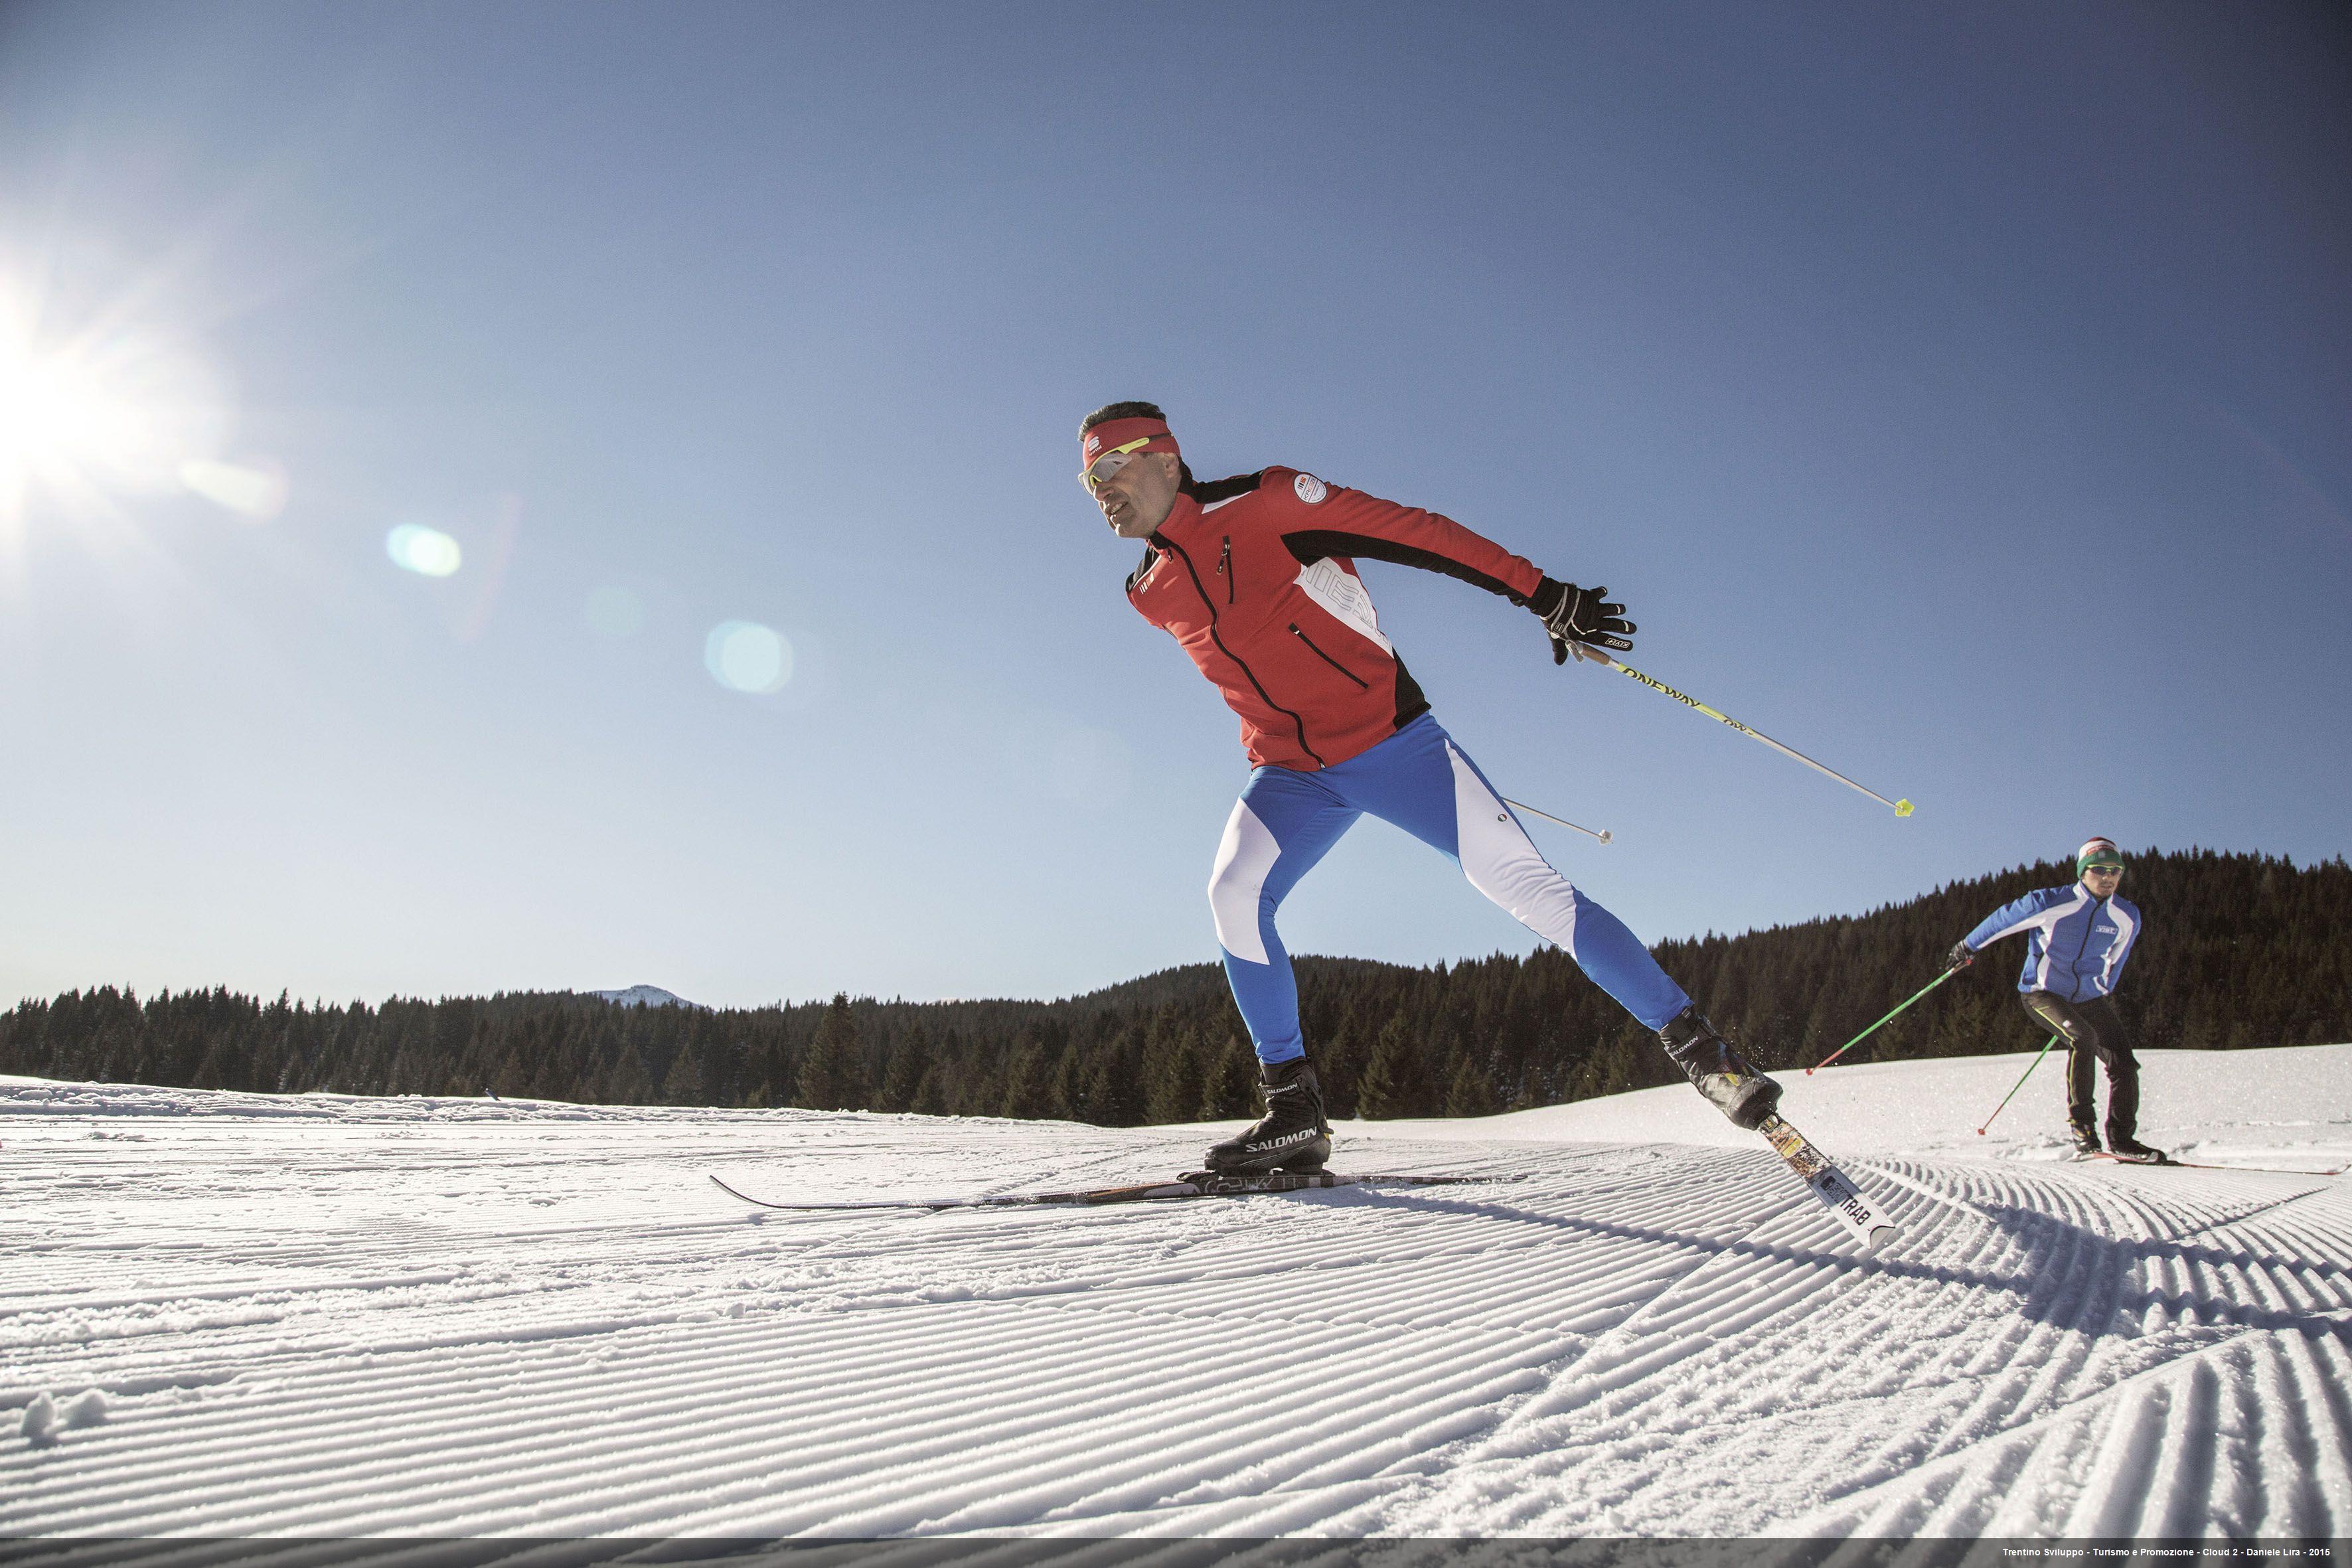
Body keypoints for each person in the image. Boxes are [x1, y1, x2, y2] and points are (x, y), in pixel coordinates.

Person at [1079, 400, 1779, 1173]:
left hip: (1392, 744)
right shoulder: (1149, 592)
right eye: (1088, 479)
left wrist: (1543, 593)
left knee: (1527, 887)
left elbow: (1417, 532)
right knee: (1233, 894)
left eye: (1112, 464)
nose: (1100, 486)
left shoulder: (1269, 504)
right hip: (1288, 774)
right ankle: (1295, 1109)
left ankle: (1706, 1053)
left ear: (1167, 459)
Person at [1948, 837, 2157, 1162]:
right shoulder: (2051, 902)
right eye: (2099, 869)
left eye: (2116, 870)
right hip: (2041, 993)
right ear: (2082, 872)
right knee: (2082, 1037)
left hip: (2089, 998)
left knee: (2125, 1065)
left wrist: (2102, 988)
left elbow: (2118, 958)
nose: (2108, 877)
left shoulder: (2126, 915)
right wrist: (1967, 947)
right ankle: (2083, 1128)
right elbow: (2005, 919)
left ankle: (2123, 1140)